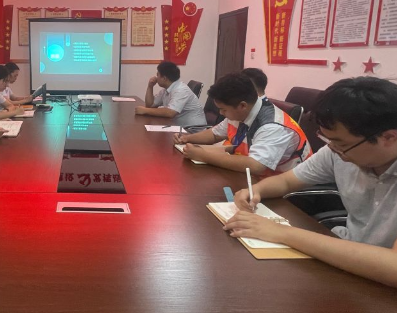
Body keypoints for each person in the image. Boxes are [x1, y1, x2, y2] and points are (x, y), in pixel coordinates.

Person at [225, 77, 397, 287]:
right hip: (344, 258)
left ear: (389, 137)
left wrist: (282, 233)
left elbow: (393, 267)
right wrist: (256, 190)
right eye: (328, 139)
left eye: (341, 143)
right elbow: (287, 182)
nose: (333, 148)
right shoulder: (337, 151)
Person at [173, 73, 311, 176]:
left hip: (287, 189)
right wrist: (187, 138)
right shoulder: (240, 112)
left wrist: (202, 155)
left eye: (223, 109)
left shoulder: (272, 126)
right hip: (253, 178)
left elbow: (255, 166)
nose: (221, 113)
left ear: (242, 105)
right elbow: (215, 134)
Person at [135, 61, 206, 129]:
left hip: (192, 130)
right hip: (177, 127)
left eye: (158, 75)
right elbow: (150, 105)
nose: (156, 78)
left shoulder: (181, 90)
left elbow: (170, 112)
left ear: (164, 78)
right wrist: (150, 86)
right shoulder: (166, 89)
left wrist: (145, 111)